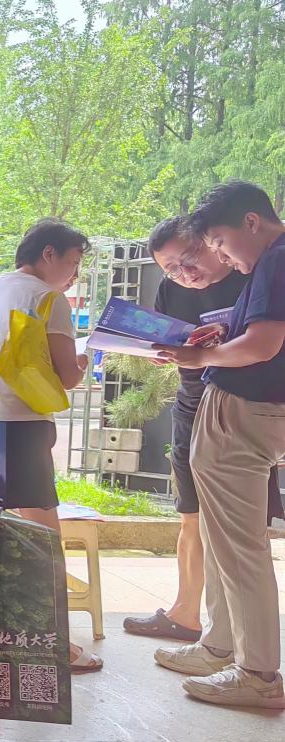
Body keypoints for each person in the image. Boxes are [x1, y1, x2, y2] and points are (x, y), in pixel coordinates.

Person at [154, 181, 285, 709]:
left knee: (238, 545)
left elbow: (263, 344)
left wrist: (200, 358)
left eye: (219, 243)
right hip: (251, 409)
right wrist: (218, 337)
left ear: (251, 222)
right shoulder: (268, 263)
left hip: (243, 411)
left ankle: (256, 671)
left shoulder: (275, 259)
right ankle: (221, 645)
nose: (222, 257)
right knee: (225, 537)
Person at [124, 216, 282, 642]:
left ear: (212, 243)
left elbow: (263, 344)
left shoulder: (254, 274)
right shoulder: (172, 290)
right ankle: (189, 615)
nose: (184, 273)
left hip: (245, 406)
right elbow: (170, 343)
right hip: (193, 404)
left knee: (242, 528)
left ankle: (238, 644)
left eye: (190, 257)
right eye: (171, 269)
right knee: (191, 514)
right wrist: (163, 352)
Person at [0, 218, 102, 673]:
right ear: (48, 254)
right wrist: (83, 361)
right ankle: (52, 643)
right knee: (42, 541)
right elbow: (66, 375)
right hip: (24, 426)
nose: (73, 274)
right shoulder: (49, 299)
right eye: (72, 262)